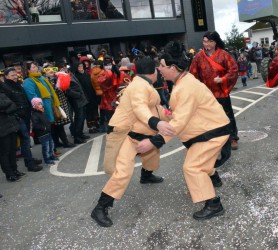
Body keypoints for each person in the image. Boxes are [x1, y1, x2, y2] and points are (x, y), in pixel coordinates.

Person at [137, 41, 231, 220]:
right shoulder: (183, 82)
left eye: (162, 66)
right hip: (205, 130)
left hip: (212, 131)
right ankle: (213, 179)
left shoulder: (186, 86)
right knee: (199, 161)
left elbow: (178, 123)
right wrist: (167, 115)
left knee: (192, 167)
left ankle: (213, 204)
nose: (159, 70)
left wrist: (153, 141)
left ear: (172, 67)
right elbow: (180, 114)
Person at [90, 57, 174, 227]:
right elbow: (140, 108)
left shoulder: (143, 84)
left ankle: (146, 175)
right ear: (154, 71)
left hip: (139, 131)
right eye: (158, 69)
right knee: (123, 171)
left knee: (152, 152)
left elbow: (153, 108)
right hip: (125, 133)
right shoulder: (139, 87)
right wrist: (156, 123)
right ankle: (101, 207)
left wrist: (167, 115)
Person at [189, 30, 239, 165]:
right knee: (209, 119)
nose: (206, 44)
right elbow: (193, 74)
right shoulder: (199, 57)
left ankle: (233, 137)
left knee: (227, 116)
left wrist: (223, 79)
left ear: (215, 42)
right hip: (206, 95)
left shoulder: (224, 55)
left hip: (221, 92)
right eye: (204, 41)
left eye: (209, 41)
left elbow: (234, 70)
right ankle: (214, 141)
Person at [2, 66, 42, 172]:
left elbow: (24, 99)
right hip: (17, 118)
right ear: (6, 76)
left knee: (26, 140)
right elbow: (8, 104)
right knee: (25, 140)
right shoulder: (5, 87)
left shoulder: (19, 84)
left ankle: (29, 159)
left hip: (25, 115)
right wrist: (17, 114)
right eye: (12, 75)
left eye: (16, 75)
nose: (15, 77)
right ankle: (29, 164)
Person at [0, 87, 23, 182]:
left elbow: (13, 105)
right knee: (5, 152)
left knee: (13, 149)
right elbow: (5, 104)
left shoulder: (2, 93)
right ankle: (9, 174)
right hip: (2, 128)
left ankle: (15, 170)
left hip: (12, 125)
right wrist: (7, 105)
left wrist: (5, 109)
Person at [31, 98, 58, 165]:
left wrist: (48, 126)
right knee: (46, 147)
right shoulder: (34, 114)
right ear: (35, 106)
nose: (40, 105)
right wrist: (44, 128)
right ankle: (47, 159)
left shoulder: (42, 112)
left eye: (40, 103)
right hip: (42, 134)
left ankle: (51, 155)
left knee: (51, 145)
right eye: (38, 104)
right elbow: (35, 125)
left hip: (48, 132)